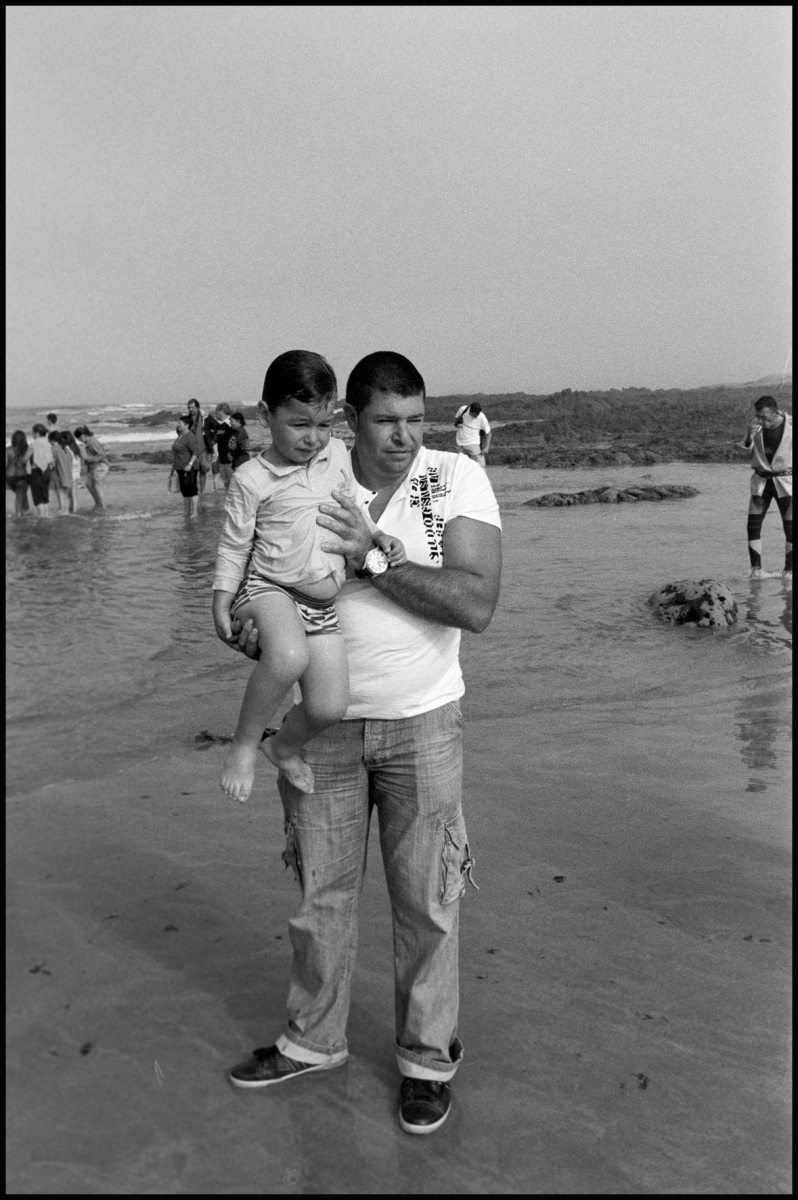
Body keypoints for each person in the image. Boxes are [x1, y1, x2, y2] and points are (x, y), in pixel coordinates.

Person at [222, 351, 502, 1137]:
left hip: (424, 723)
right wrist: (249, 622)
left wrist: (372, 558)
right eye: (385, 421)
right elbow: (259, 573)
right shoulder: (313, 469)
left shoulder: (453, 479)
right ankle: (312, 1040)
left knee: (428, 902)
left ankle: (426, 1062)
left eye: (416, 420)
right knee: (320, 899)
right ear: (350, 419)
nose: (404, 437)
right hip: (322, 727)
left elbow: (476, 604)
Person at [213, 350, 405, 801]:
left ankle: (281, 747)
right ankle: (244, 746)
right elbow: (234, 545)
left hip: (321, 604)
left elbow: (351, 507)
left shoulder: (336, 454)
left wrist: (378, 535)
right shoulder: (251, 478)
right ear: (265, 415)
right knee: (286, 657)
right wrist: (220, 600)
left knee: (329, 705)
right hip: (270, 588)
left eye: (323, 424)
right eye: (299, 424)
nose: (313, 438)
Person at [740, 395, 792, 578]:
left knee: (790, 527)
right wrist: (749, 435)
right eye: (758, 416)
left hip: (786, 482)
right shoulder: (755, 426)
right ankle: (756, 571)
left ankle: (789, 572)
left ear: (775, 412)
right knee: (753, 526)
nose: (761, 420)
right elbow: (744, 449)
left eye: (764, 416)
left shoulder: (791, 425)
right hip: (761, 481)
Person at [169, 414, 204, 517]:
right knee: (184, 490)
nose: (178, 425)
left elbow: (196, 452)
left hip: (189, 468)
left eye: (180, 423)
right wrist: (173, 467)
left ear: (187, 425)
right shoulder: (180, 435)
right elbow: (176, 453)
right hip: (179, 467)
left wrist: (190, 464)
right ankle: (187, 511)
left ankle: (195, 512)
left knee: (192, 489)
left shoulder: (190, 436)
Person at [75, 427, 110, 509]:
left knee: (97, 485)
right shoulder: (89, 442)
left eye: (79, 439)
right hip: (95, 465)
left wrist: (88, 458)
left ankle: (102, 506)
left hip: (101, 465)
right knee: (89, 484)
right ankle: (98, 504)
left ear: (82, 435)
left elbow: (102, 454)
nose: (80, 441)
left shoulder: (92, 441)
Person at [204, 403, 236, 490]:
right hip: (223, 460)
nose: (215, 414)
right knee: (227, 483)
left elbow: (237, 440)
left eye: (216, 412)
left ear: (221, 411)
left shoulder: (231, 423)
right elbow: (219, 441)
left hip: (231, 461)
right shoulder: (221, 425)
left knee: (233, 484)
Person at [454, 401, 491, 468]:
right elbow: (456, 419)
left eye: (477, 414)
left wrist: (487, 447)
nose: (476, 416)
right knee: (463, 468)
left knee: (479, 467)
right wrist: (457, 424)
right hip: (460, 444)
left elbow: (488, 433)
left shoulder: (481, 417)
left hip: (474, 445)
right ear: (470, 411)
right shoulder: (463, 409)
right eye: (475, 415)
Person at [187, 398, 213, 494]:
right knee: (193, 473)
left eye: (192, 407)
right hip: (192, 450)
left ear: (197, 407)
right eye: (189, 408)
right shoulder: (187, 419)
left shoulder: (204, 417)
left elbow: (216, 426)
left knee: (203, 472)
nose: (190, 409)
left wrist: (213, 441)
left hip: (204, 450)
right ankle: (195, 493)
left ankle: (202, 492)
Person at [29, 424, 54, 517]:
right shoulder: (46, 442)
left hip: (38, 471)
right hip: (47, 470)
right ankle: (46, 516)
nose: (32, 434)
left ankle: (42, 518)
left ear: (37, 433)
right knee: (45, 497)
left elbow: (36, 459)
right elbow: (50, 459)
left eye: (33, 432)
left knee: (38, 498)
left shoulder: (35, 443)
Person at [6, 431, 32, 517]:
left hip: (9, 478)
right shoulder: (26, 450)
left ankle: (26, 510)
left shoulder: (7, 450)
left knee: (21, 494)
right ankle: (19, 518)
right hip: (21, 478)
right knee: (19, 499)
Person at [47, 431, 73, 514]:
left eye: (49, 441)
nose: (49, 443)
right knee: (66, 496)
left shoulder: (53, 449)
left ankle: (62, 513)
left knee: (60, 496)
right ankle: (66, 512)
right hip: (68, 475)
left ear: (53, 440)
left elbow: (52, 465)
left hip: (58, 476)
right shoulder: (66, 449)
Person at [60, 430, 83, 512]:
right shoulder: (75, 448)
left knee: (67, 495)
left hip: (70, 473)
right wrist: (79, 475)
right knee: (74, 495)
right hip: (76, 474)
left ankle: (69, 511)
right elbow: (79, 463)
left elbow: (67, 463)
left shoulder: (66, 449)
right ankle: (74, 511)